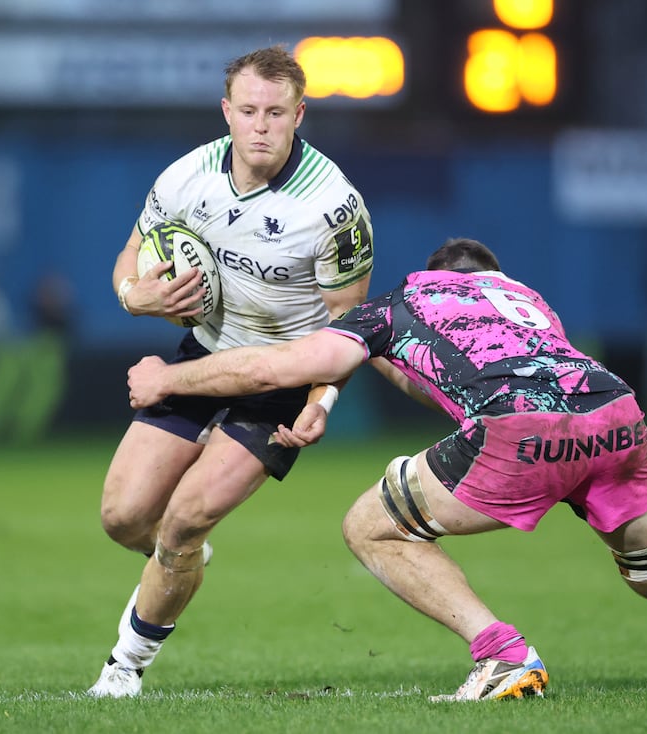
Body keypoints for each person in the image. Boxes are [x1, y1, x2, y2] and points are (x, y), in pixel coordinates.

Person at [125, 237, 647, 702]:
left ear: (435, 273)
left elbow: (284, 365)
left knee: (372, 527)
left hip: (518, 428)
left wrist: (171, 379)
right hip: (614, 413)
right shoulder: (527, 301)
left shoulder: (407, 298)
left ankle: (502, 655)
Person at [87, 45, 374, 698]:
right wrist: (137, 297)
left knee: (184, 518)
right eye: (248, 110)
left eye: (276, 112)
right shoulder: (187, 177)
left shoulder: (333, 208)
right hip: (205, 354)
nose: (261, 125)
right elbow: (131, 257)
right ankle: (181, 560)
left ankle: (122, 670)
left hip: (282, 383)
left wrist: (322, 401)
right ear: (227, 112)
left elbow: (350, 325)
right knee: (124, 517)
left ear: (300, 115)